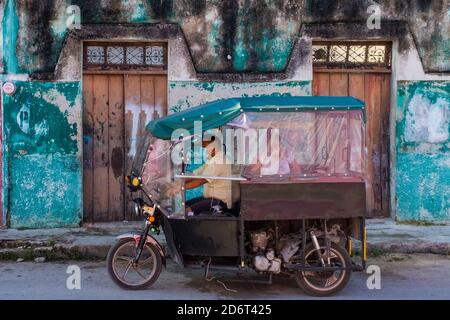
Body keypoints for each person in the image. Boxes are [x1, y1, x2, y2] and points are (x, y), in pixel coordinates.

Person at [168, 136, 234, 216]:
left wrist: (178, 188)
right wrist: (176, 181)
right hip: (210, 198)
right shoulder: (212, 160)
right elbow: (194, 175)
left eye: (205, 147)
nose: (204, 150)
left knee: (187, 212)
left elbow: (200, 181)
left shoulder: (219, 161)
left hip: (220, 202)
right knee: (185, 205)